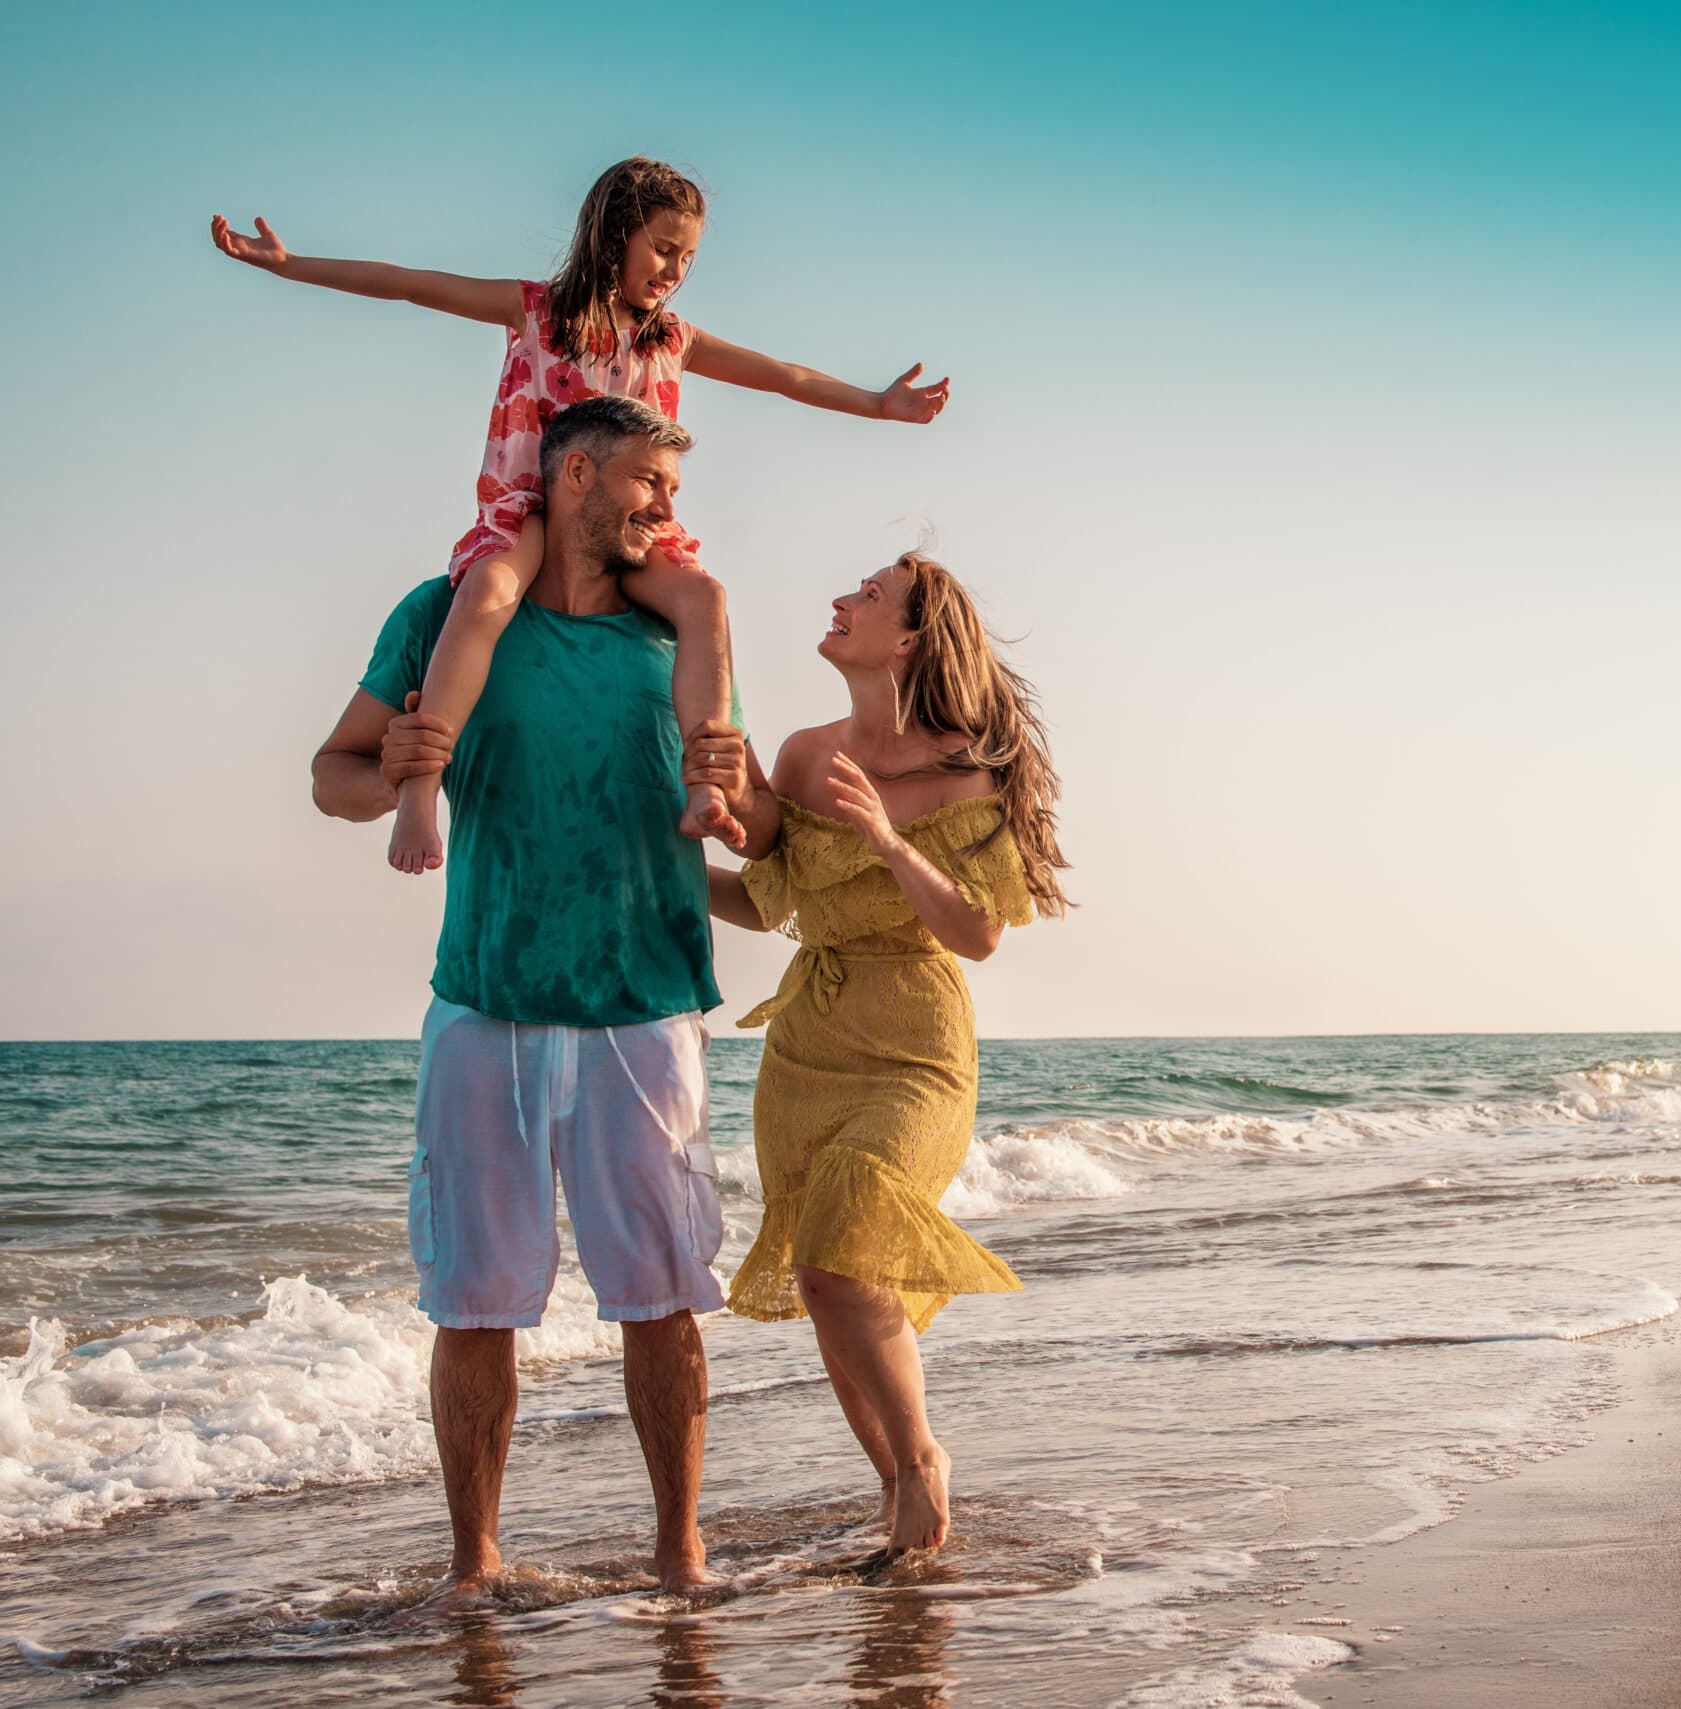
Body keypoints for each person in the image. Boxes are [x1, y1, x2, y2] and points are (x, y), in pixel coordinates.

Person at [311, 394, 775, 1605]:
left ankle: (681, 1556)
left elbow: (749, 811)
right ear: (573, 474)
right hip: (486, 998)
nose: (666, 513)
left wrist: (737, 790)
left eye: (672, 491)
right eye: (646, 484)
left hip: (647, 1001)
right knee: (472, 1300)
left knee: (665, 1295)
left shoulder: (678, 631)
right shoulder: (447, 612)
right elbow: (331, 775)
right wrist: (399, 772)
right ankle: (475, 1564)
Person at [217, 155, 950, 874]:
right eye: (663, 248)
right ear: (614, 236)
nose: (674, 270)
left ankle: (706, 785)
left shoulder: (674, 341)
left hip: (633, 526)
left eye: (688, 257)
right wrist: (290, 265)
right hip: (537, 510)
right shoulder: (537, 311)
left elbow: (786, 377)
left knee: (705, 598)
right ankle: (418, 790)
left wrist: (879, 406)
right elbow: (413, 286)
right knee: (486, 594)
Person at [709, 551, 1067, 1561]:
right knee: (825, 1273)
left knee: (852, 1225)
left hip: (916, 1043)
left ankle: (921, 1466)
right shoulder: (801, 751)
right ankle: (895, 1486)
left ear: (907, 637)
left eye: (866, 594)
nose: (839, 598)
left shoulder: (968, 767)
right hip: (807, 1041)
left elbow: (982, 932)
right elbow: (767, 901)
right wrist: (659, 866)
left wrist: (886, 835)